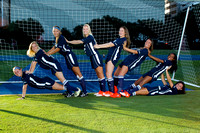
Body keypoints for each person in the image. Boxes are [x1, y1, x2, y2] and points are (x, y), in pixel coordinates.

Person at [47, 26, 87, 97]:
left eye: (56, 31)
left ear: (59, 31)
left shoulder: (61, 38)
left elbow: (57, 49)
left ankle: (85, 92)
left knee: (78, 73)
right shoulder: (56, 38)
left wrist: (48, 54)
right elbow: (54, 47)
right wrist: (46, 53)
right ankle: (75, 91)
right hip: (67, 57)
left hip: (70, 56)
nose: (55, 32)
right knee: (76, 74)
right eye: (54, 31)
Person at [67, 24, 106, 96]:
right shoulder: (88, 37)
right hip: (92, 57)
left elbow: (79, 41)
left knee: (100, 74)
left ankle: (104, 91)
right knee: (98, 74)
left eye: (86, 29)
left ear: (89, 30)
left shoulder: (89, 37)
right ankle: (101, 91)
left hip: (95, 56)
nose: (85, 30)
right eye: (84, 29)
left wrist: (69, 42)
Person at [93, 26, 131, 97]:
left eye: (122, 31)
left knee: (108, 74)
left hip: (113, 58)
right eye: (119, 30)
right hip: (109, 57)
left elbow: (110, 44)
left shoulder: (123, 39)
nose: (120, 32)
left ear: (125, 33)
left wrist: (98, 46)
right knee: (107, 73)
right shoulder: (119, 39)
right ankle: (111, 90)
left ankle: (112, 92)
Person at [13, 66, 81, 100]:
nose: (16, 72)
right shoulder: (24, 74)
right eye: (15, 72)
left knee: (62, 87)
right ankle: (70, 92)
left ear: (20, 69)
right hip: (45, 82)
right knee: (61, 87)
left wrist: (23, 97)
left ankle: (77, 90)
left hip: (46, 82)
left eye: (17, 71)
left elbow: (24, 87)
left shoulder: (25, 76)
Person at [120, 67, 185, 97]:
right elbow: (163, 80)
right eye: (178, 84)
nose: (177, 85)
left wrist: (167, 71)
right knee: (138, 88)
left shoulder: (174, 91)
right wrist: (161, 70)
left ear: (181, 89)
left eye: (180, 86)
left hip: (155, 91)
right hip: (153, 88)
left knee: (135, 92)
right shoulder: (169, 87)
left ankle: (124, 94)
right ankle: (124, 92)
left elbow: (169, 80)